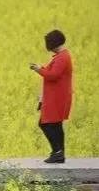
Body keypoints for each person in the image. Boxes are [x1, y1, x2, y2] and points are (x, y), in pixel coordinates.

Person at [29, 30, 73, 164]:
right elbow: (51, 72)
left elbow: (53, 75)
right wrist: (40, 67)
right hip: (56, 96)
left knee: (46, 124)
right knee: (55, 124)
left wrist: (38, 70)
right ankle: (58, 152)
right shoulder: (61, 56)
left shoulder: (62, 57)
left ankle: (58, 152)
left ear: (52, 43)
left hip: (56, 97)